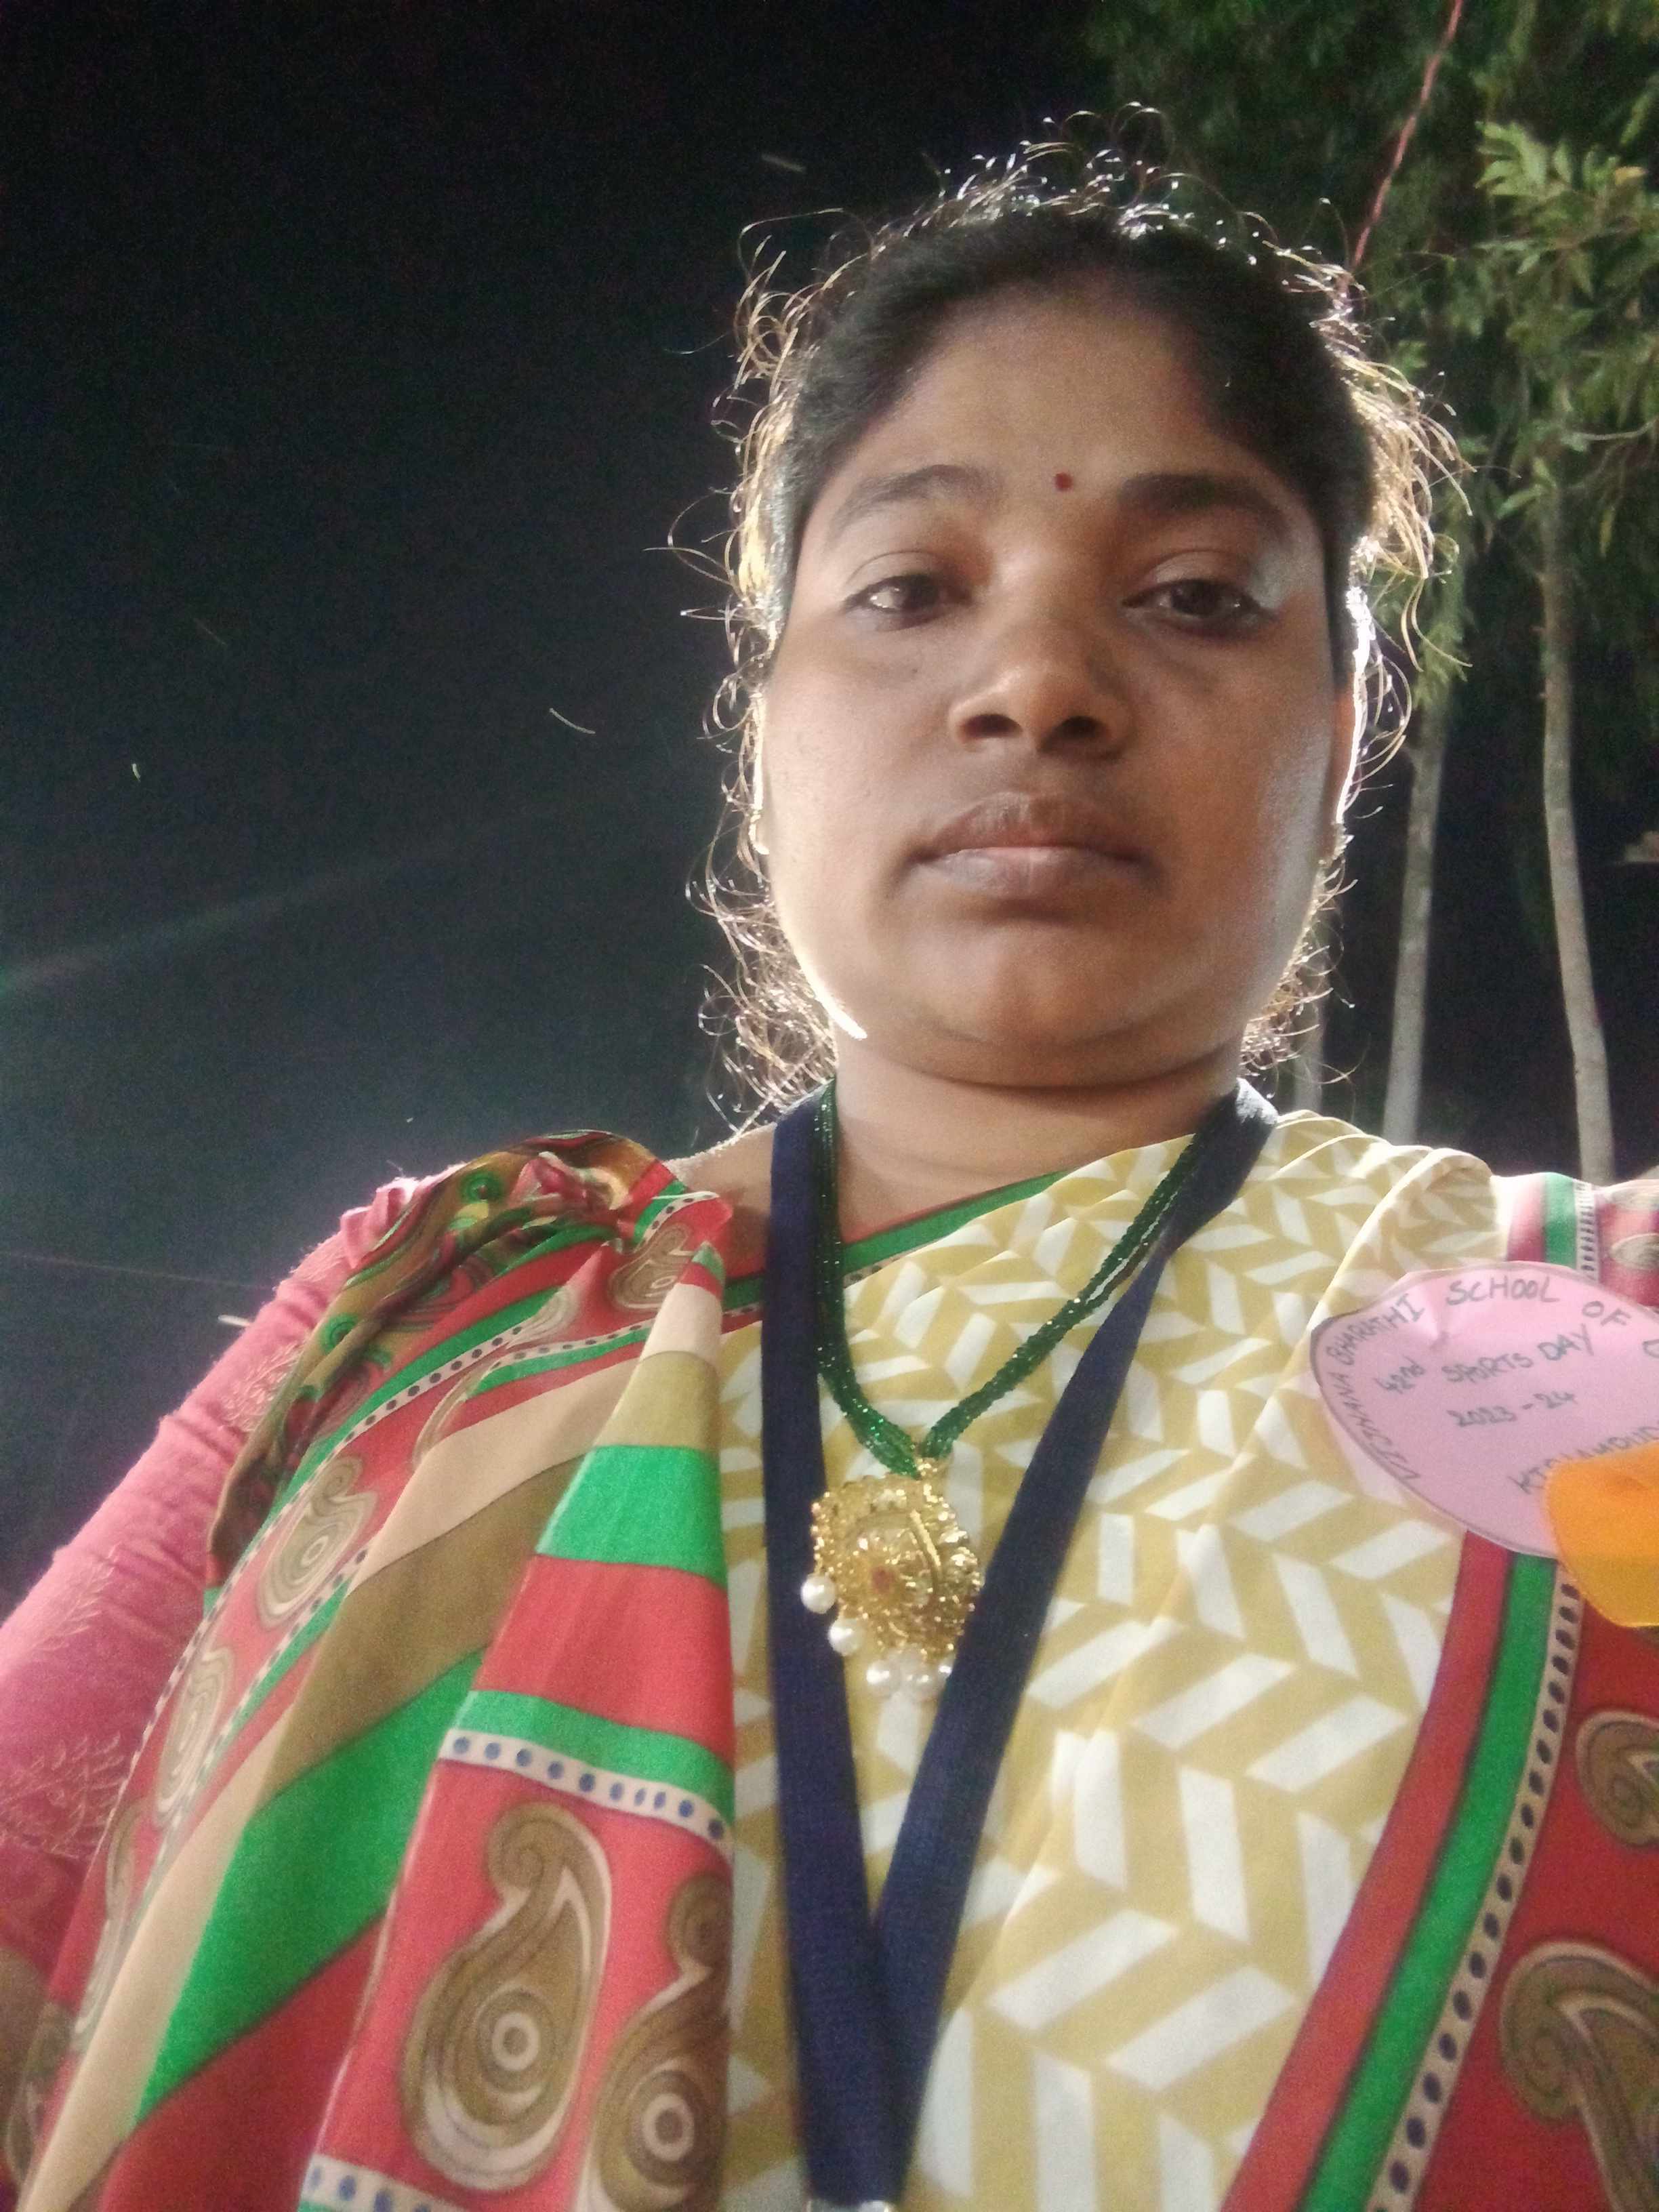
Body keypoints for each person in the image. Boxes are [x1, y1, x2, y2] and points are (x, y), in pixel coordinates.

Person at [2, 140, 1657, 2212]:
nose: (1037, 687)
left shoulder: (1598, 1329)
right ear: (765, 717)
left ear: (1338, 734)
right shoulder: (424, 1323)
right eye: (912, 591)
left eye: (1193, 597)